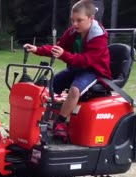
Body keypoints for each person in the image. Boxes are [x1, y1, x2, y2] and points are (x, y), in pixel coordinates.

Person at [24, 0, 111, 141]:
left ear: (91, 18)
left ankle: (60, 123)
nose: (75, 24)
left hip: (94, 71)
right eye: (73, 20)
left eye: (79, 20)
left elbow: (86, 61)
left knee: (75, 90)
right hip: (77, 68)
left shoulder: (99, 37)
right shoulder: (72, 32)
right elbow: (58, 48)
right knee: (49, 85)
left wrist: (64, 55)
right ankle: (39, 119)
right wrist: (37, 50)